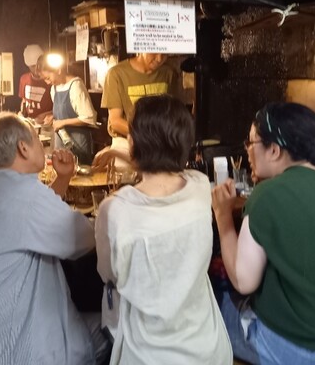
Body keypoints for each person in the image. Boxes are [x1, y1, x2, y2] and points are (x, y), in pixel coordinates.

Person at [0, 113, 109, 364]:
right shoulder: (21, 194)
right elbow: (86, 240)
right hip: (5, 352)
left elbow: (30, 222)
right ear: (23, 148)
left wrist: (63, 178)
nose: (43, 147)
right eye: (37, 140)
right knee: (119, 328)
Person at [213, 102, 315, 365]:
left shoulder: (269, 195)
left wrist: (223, 216)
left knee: (211, 306)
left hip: (302, 352)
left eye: (251, 142)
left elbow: (243, 282)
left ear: (274, 150)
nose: (247, 150)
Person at [95, 94, 232, 364]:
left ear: (133, 143)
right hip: (209, 350)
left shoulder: (115, 210)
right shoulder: (199, 186)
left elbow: (108, 274)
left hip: (147, 355)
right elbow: (164, 166)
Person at [95, 53, 178, 169]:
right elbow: (115, 122)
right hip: (126, 144)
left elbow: (174, 115)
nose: (159, 59)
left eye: (164, 54)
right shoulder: (117, 73)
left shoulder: (169, 73)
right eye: (154, 52)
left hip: (160, 146)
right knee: (125, 179)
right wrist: (149, 136)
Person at [40, 52, 97, 165]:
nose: (47, 82)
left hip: (78, 147)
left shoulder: (76, 86)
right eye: (44, 79)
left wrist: (62, 122)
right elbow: (63, 112)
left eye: (48, 78)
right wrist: (52, 117)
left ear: (58, 70)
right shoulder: (54, 89)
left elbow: (89, 118)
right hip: (61, 146)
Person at [18, 44, 53, 122]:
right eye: (33, 66)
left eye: (38, 65)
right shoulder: (24, 78)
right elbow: (23, 100)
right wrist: (22, 113)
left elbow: (58, 108)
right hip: (30, 122)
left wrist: (47, 115)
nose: (36, 69)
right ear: (28, 66)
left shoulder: (50, 80)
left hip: (46, 124)